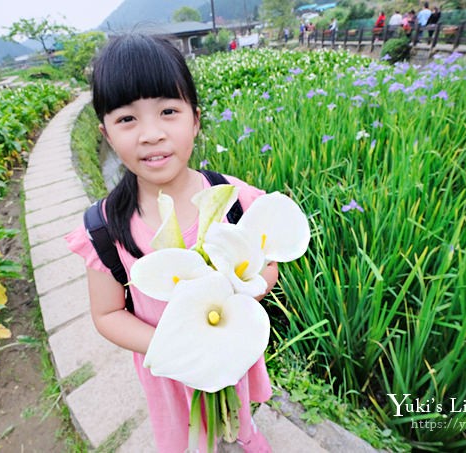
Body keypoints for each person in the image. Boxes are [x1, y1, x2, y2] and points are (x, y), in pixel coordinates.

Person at [65, 34, 277, 453]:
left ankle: (246, 434)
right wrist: (178, 347)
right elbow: (107, 313)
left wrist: (253, 286)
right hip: (170, 364)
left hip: (229, 344)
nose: (151, 134)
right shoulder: (105, 227)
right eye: (127, 119)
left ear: (195, 120)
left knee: (235, 399)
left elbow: (266, 265)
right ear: (105, 132)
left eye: (168, 111)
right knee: (186, 432)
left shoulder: (235, 199)